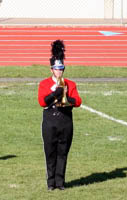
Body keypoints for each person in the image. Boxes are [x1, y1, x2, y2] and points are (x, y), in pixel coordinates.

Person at [37, 39, 82, 191]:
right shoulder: (44, 84)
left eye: (61, 69)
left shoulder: (70, 83)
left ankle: (60, 182)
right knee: (50, 152)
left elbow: (78, 101)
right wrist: (54, 94)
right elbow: (42, 102)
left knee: (63, 152)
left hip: (65, 120)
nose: (59, 71)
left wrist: (67, 97)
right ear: (51, 69)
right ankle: (50, 183)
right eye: (56, 69)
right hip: (50, 120)